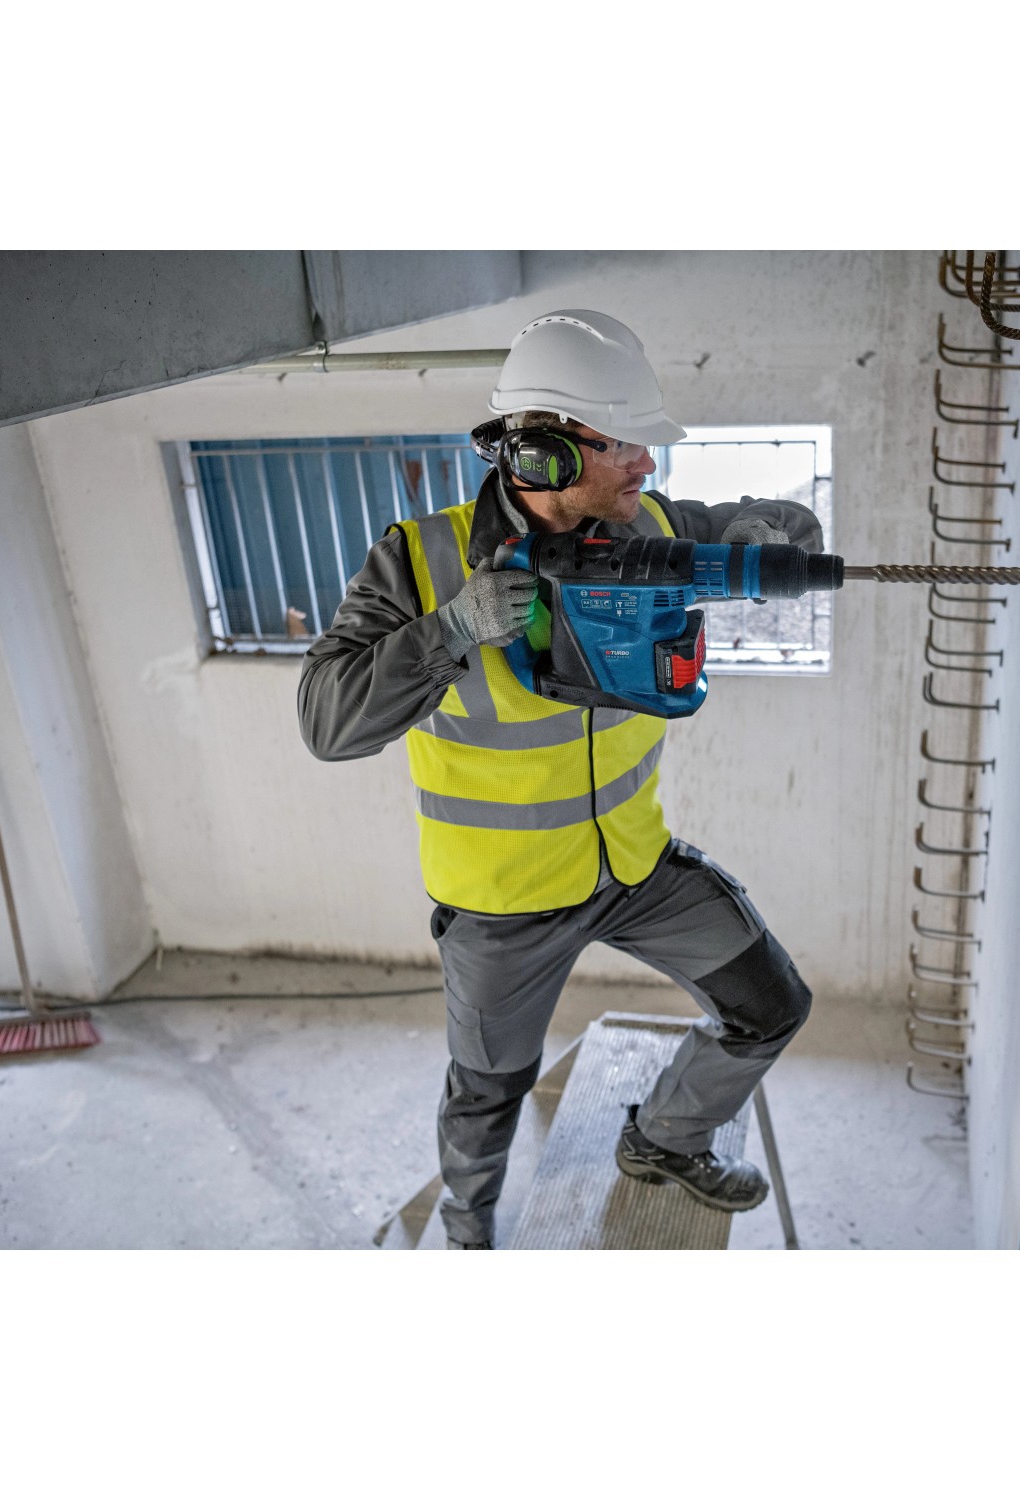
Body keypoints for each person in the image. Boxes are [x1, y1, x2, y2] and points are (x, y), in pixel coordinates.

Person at [298, 309, 821, 1249]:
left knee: (771, 1004)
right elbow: (326, 721)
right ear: (540, 455)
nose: (646, 468)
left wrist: (771, 530)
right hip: (500, 909)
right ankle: (467, 1237)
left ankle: (665, 1138)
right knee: (487, 1092)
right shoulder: (418, 564)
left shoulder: (649, 527)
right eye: (624, 444)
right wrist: (448, 632)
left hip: (633, 871)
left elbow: (767, 530)